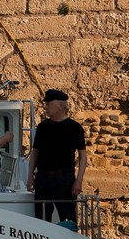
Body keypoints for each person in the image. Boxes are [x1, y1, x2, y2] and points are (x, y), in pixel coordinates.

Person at [29, 89, 87, 224]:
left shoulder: (74, 127)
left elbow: (83, 155)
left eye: (49, 103)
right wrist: (30, 176)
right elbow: (35, 152)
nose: (46, 106)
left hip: (64, 179)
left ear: (61, 105)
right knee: (41, 220)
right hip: (43, 177)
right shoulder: (43, 127)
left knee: (68, 219)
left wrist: (79, 180)